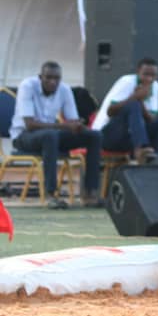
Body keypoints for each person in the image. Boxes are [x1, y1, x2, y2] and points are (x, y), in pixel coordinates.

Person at [10, 61, 103, 209]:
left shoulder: (64, 89)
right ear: (41, 77)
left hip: (51, 135)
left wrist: (78, 126)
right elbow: (30, 124)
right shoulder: (27, 86)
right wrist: (65, 126)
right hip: (24, 136)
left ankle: (90, 193)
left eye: (56, 78)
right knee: (50, 136)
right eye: (48, 78)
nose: (53, 82)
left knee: (94, 136)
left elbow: (71, 120)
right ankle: (51, 194)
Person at [90, 57, 158, 163]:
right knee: (133, 105)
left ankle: (157, 160)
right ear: (138, 72)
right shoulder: (127, 81)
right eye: (146, 74)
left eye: (153, 75)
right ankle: (140, 148)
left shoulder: (154, 86)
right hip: (106, 136)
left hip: (129, 138)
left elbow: (151, 119)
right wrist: (134, 97)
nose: (149, 79)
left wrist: (140, 101)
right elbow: (110, 111)